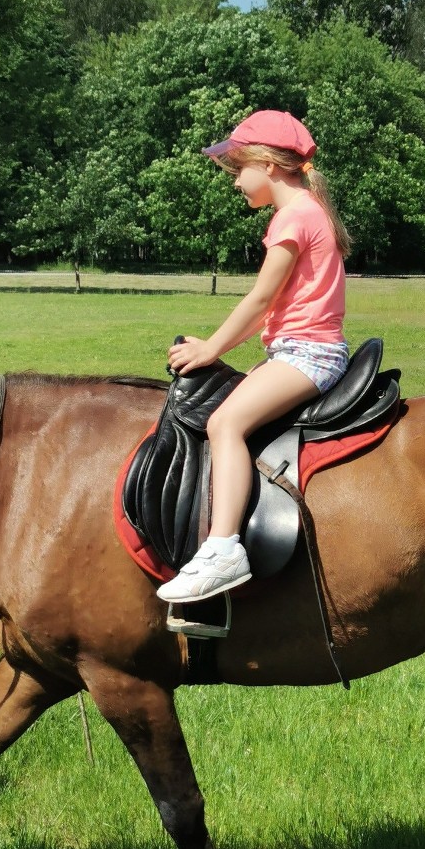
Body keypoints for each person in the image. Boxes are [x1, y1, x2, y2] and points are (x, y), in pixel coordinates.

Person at [156, 110, 351, 604]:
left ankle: (223, 549)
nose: (235, 180)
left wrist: (210, 348)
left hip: (307, 354)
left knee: (224, 424)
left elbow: (261, 300)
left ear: (266, 164)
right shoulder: (307, 210)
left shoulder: (293, 217)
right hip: (300, 350)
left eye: (237, 168)